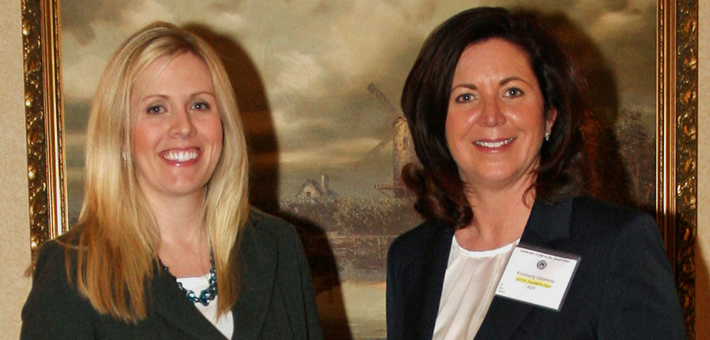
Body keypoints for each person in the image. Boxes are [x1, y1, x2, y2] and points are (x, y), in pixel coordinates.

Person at [386, 7, 686, 340]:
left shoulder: (616, 245)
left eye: (512, 92)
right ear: (438, 123)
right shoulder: (411, 259)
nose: (491, 116)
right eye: (466, 96)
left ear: (550, 115)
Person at [21, 22, 323, 340]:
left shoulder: (277, 247)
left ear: (224, 123)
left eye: (199, 105)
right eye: (156, 108)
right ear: (120, 135)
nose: (183, 126)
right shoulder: (72, 272)